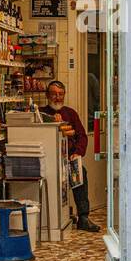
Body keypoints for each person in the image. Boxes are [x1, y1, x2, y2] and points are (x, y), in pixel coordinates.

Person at [40, 79, 99, 232]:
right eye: (53, 94)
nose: (57, 97)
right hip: (49, 160)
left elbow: (82, 136)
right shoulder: (41, 114)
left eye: (60, 94)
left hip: (69, 159)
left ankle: (83, 217)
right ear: (47, 95)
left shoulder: (70, 113)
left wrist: (78, 153)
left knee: (80, 172)